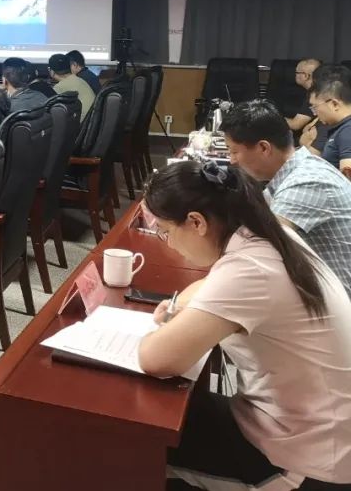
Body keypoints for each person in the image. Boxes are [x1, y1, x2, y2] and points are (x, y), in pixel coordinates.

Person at [137, 160, 351, 489]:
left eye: (165, 232)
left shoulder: (251, 270)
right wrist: (179, 308)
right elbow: (208, 284)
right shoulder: (264, 235)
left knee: (137, 452)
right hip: (301, 424)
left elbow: (156, 359)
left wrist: (154, 332)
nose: (168, 243)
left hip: (302, 460)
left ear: (196, 222)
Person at [222, 100, 351, 295]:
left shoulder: (307, 181)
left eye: (234, 151)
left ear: (264, 148)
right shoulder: (292, 171)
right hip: (319, 290)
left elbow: (258, 248)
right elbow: (251, 221)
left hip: (339, 303)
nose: (232, 160)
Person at [306, 64, 351, 175]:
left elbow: (348, 179)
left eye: (315, 107)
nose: (315, 113)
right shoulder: (342, 128)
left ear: (334, 104)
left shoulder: (348, 131)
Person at [49, 53, 94, 119]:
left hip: (81, 123)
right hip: (91, 120)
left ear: (52, 71)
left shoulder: (59, 87)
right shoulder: (79, 80)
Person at [286, 58, 322, 133]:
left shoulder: (315, 95)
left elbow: (295, 125)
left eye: (297, 72)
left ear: (306, 76)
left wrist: (272, 118)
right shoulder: (321, 90)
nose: (295, 75)